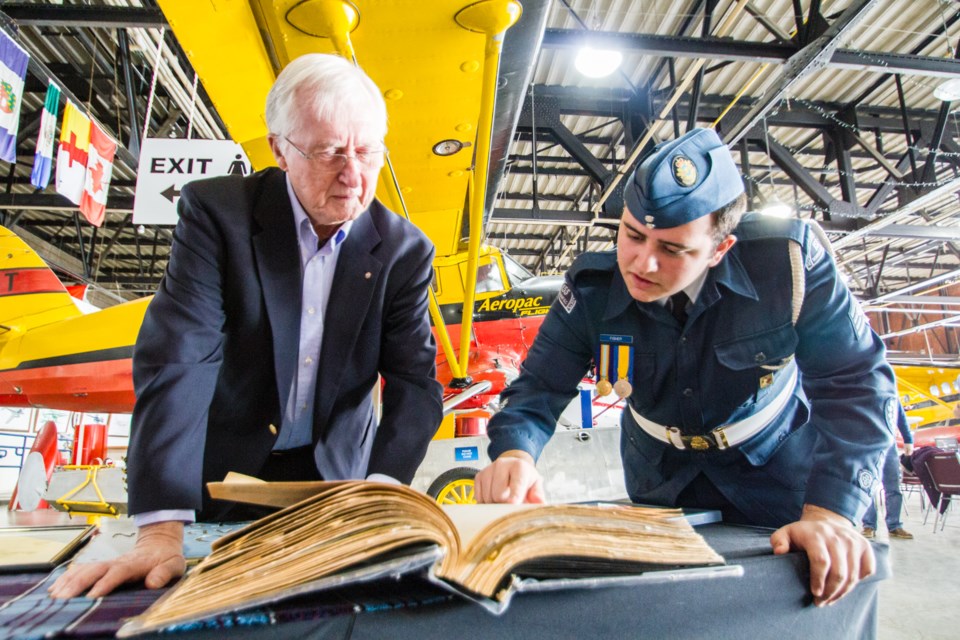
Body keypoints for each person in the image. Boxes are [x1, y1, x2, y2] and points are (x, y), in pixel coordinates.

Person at [49, 53, 443, 598]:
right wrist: (161, 527)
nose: (353, 176)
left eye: (367, 152)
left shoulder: (404, 251)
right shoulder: (218, 216)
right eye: (330, 152)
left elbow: (414, 383)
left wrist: (378, 494)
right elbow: (182, 359)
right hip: (220, 474)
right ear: (279, 148)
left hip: (336, 488)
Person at [474, 127, 898, 607]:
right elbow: (537, 389)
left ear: (720, 249)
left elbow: (857, 381)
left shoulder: (789, 267)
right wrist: (514, 455)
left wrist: (832, 513)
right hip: (661, 481)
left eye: (673, 250)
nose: (642, 264)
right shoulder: (592, 291)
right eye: (633, 235)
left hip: (778, 476)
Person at [862, 404, 914, 540]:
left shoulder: (888, 388)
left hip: (889, 444)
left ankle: (895, 526)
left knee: (893, 487)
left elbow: (899, 414)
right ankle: (868, 525)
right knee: (868, 487)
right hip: (865, 443)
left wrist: (908, 439)